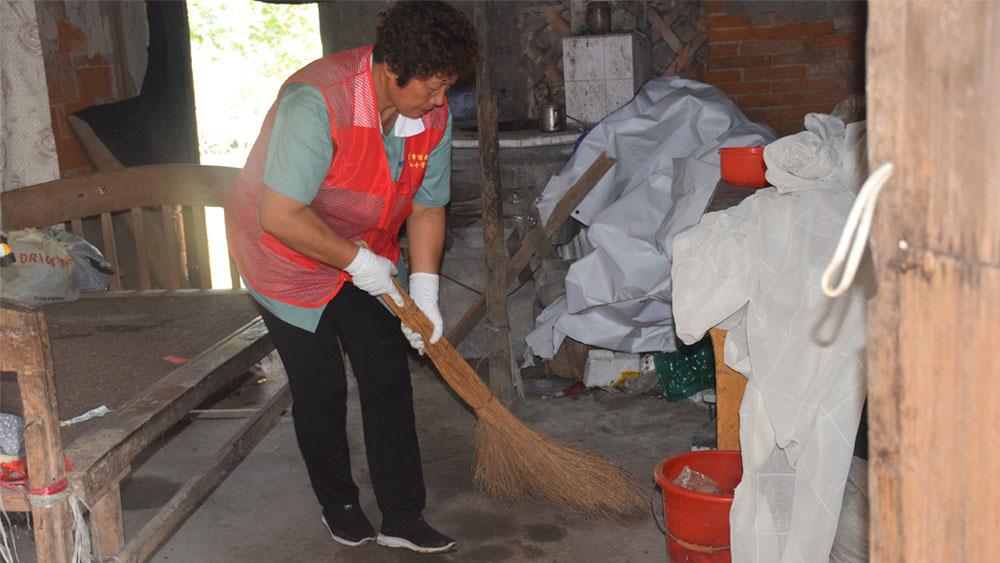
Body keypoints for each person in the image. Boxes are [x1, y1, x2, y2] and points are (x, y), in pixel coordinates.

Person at [225, 1, 478, 554]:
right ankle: (339, 503)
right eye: (432, 88)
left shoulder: (430, 113)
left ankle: (403, 516)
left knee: (387, 372)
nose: (441, 102)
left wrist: (425, 289)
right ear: (392, 72)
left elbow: (428, 204)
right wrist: (361, 264)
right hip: (283, 253)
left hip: (364, 249)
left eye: (446, 88)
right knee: (321, 386)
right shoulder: (316, 102)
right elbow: (281, 215)